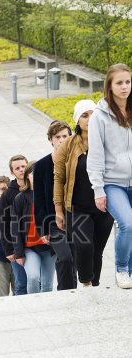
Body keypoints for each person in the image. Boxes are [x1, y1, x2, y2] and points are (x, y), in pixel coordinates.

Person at [54, 100, 114, 287]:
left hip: (104, 206)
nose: (90, 119)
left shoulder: (108, 140)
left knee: (97, 250)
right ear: (77, 120)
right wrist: (58, 210)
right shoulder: (68, 145)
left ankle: (94, 285)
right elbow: (59, 178)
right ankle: (86, 282)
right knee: (84, 245)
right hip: (78, 207)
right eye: (84, 115)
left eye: (93, 114)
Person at [88, 63, 132, 289]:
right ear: (110, 86)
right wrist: (98, 190)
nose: (125, 87)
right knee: (128, 224)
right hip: (113, 183)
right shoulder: (100, 117)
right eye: (119, 83)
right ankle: (122, 268)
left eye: (128, 82)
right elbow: (94, 156)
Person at [33, 120, 77, 290]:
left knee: (72, 259)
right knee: (65, 257)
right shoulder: (42, 165)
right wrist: (42, 229)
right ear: (51, 140)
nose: (61, 140)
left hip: (76, 218)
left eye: (65, 136)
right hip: (53, 222)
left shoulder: (77, 160)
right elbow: (39, 200)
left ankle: (72, 293)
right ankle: (65, 293)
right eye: (57, 137)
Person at [13, 162, 56, 294]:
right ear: (27, 176)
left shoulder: (48, 194)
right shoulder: (20, 198)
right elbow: (15, 227)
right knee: (33, 277)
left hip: (48, 247)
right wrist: (18, 253)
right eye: (33, 172)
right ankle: (34, 306)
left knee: (47, 285)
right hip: (30, 248)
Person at [0, 155, 28, 295]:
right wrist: (8, 250)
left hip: (35, 241)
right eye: (17, 168)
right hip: (16, 245)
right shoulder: (7, 195)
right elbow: (3, 223)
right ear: (12, 172)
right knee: (21, 282)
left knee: (38, 279)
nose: (21, 170)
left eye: (23, 166)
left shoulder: (36, 185)